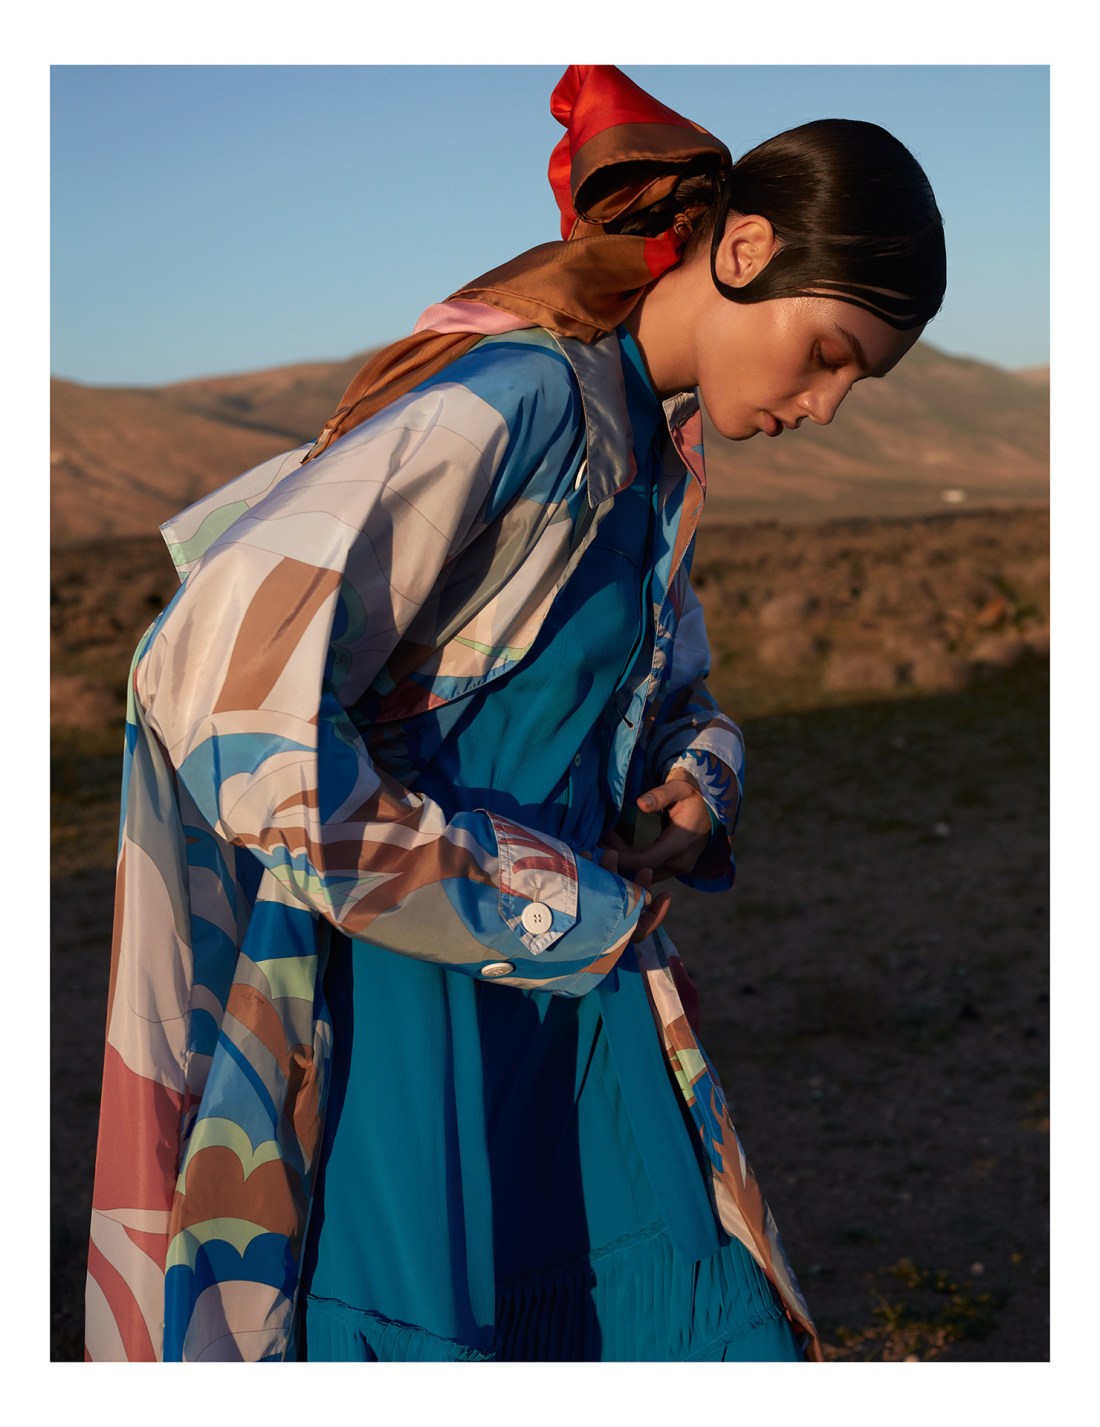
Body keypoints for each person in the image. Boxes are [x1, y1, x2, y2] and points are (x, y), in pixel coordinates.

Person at [84, 65, 945, 1363]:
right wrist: (518, 898)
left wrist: (693, 783)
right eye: (828, 353)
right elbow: (211, 676)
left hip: (573, 1005)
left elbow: (669, 694)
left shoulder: (650, 452)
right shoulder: (523, 401)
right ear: (745, 250)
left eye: (855, 385)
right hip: (410, 1021)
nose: (823, 404)